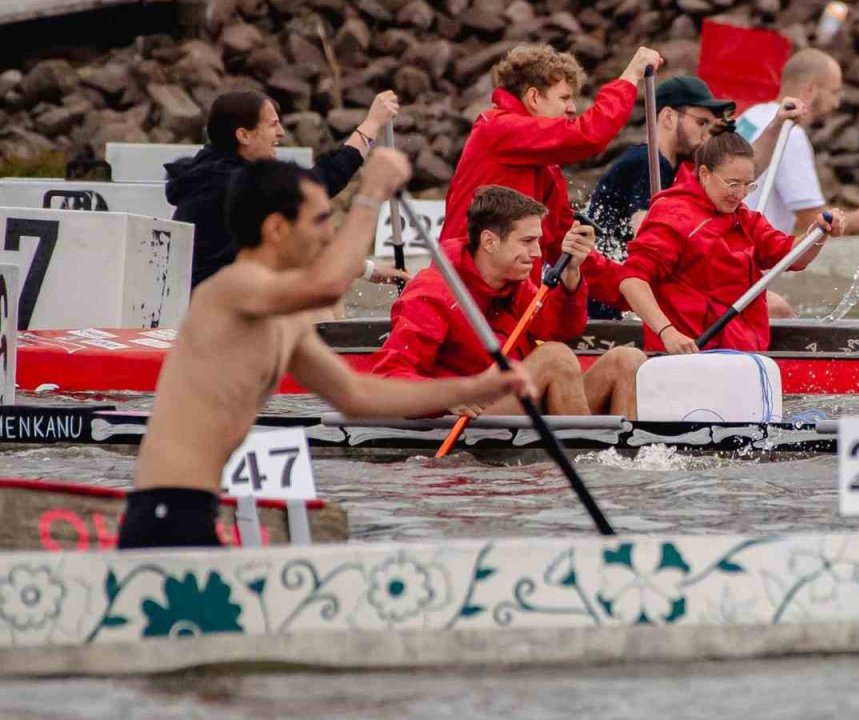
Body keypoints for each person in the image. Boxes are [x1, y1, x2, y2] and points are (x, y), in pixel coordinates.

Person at [119, 152, 533, 549]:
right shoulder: (230, 290)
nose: (328, 234)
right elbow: (329, 285)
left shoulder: (288, 321)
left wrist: (468, 389)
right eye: (320, 220)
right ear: (277, 229)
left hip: (208, 508)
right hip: (165, 510)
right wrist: (370, 193)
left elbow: (359, 395)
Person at [371, 186, 647, 418]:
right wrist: (446, 396)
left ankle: (623, 464)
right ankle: (587, 465)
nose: (537, 253)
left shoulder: (515, 282)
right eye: (527, 241)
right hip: (470, 418)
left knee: (627, 359)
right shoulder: (431, 292)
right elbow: (388, 378)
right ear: (489, 242)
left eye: (537, 241)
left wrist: (572, 273)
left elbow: (562, 331)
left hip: (519, 401)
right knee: (555, 357)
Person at [440, 43, 662, 316]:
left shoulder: (541, 162)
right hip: (467, 297)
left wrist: (633, 289)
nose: (572, 108)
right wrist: (630, 77)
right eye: (564, 98)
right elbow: (588, 134)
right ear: (533, 97)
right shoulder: (497, 128)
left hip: (508, 301)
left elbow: (564, 244)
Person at [583, 75, 805, 319]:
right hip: (611, 301)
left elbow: (742, 172)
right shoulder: (646, 163)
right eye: (701, 122)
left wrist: (776, 125)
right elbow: (645, 232)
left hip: (636, 289)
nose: (705, 134)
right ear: (668, 117)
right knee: (775, 308)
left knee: (766, 304)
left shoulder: (678, 164)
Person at [618, 133, 845, 353]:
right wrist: (667, 332)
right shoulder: (673, 215)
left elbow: (792, 258)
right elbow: (632, 281)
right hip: (688, 355)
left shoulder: (746, 218)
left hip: (742, 355)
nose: (741, 194)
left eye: (749, 185)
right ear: (705, 174)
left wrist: (817, 234)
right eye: (733, 184)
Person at [165, 89, 410, 289]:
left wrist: (368, 271)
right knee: (322, 300)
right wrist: (372, 125)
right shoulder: (227, 183)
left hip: (226, 291)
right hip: (218, 310)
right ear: (244, 135)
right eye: (273, 125)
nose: (281, 132)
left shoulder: (212, 171)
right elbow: (320, 184)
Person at [734, 48, 859, 317]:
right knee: (786, 319)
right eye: (834, 91)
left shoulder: (752, 116)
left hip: (726, 257)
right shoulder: (789, 134)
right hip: (739, 270)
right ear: (810, 90)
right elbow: (813, 221)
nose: (837, 103)